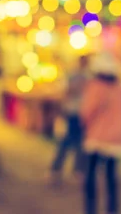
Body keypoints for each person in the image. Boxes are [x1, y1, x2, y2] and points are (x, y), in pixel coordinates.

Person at [80, 53, 121, 214]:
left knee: (90, 177)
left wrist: (85, 124)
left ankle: (90, 209)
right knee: (111, 178)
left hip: (96, 137)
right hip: (115, 138)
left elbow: (87, 111)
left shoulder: (95, 86)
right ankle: (113, 210)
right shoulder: (119, 88)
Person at [49, 55, 89, 184]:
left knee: (75, 143)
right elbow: (66, 92)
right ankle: (61, 169)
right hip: (73, 112)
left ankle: (72, 170)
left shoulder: (86, 77)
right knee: (69, 142)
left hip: (79, 113)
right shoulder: (75, 76)